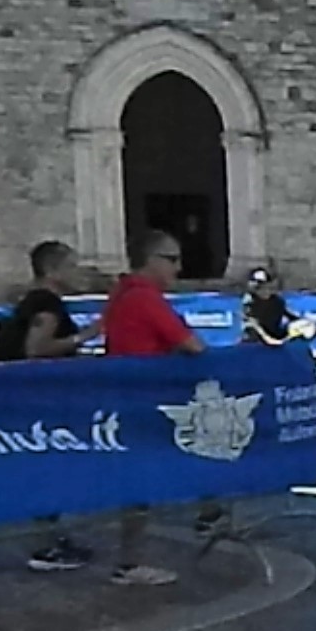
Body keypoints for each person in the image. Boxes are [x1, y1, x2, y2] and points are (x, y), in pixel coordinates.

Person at [100, 229, 207, 586]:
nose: (178, 268)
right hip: (144, 405)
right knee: (140, 485)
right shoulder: (144, 298)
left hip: (128, 401)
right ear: (150, 260)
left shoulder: (121, 293)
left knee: (141, 483)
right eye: (172, 259)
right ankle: (129, 562)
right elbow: (194, 346)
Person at [0, 241, 101, 573]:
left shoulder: (31, 302)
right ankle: (48, 546)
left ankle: (53, 540)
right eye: (72, 266)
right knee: (48, 472)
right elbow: (36, 349)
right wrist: (84, 336)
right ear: (52, 270)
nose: (79, 273)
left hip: (30, 401)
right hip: (41, 403)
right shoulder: (46, 305)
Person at [242, 268, 297, 341]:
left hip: (276, 337)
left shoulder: (277, 301)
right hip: (255, 341)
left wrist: (303, 323)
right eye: (259, 287)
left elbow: (290, 316)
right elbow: (251, 323)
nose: (265, 290)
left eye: (266, 286)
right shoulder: (249, 302)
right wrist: (267, 339)